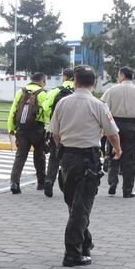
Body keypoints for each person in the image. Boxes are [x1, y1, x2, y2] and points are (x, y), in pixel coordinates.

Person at [50, 65, 121, 267]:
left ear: (75, 82)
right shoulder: (98, 105)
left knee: (74, 203)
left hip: (67, 157)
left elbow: (55, 134)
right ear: (94, 83)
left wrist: (63, 149)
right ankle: (72, 253)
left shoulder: (63, 103)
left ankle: (85, 243)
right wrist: (118, 150)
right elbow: (112, 133)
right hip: (87, 159)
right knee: (80, 208)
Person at [101, 66, 135, 198]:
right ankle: (127, 190)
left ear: (122, 76)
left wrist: (102, 129)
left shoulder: (111, 90)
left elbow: (102, 108)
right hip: (131, 126)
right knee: (130, 160)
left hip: (114, 126)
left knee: (113, 154)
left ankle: (112, 182)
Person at [7, 72, 48, 194]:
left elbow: (13, 110)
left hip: (21, 129)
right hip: (37, 129)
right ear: (42, 81)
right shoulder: (42, 93)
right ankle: (41, 182)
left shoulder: (21, 92)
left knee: (20, 156)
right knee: (39, 155)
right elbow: (47, 113)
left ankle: (14, 183)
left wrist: (11, 129)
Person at [42, 68, 75, 198]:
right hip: (73, 130)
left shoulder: (56, 90)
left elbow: (45, 107)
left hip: (57, 129)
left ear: (64, 77)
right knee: (71, 157)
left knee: (54, 156)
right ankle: (68, 184)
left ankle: (49, 180)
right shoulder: (79, 90)